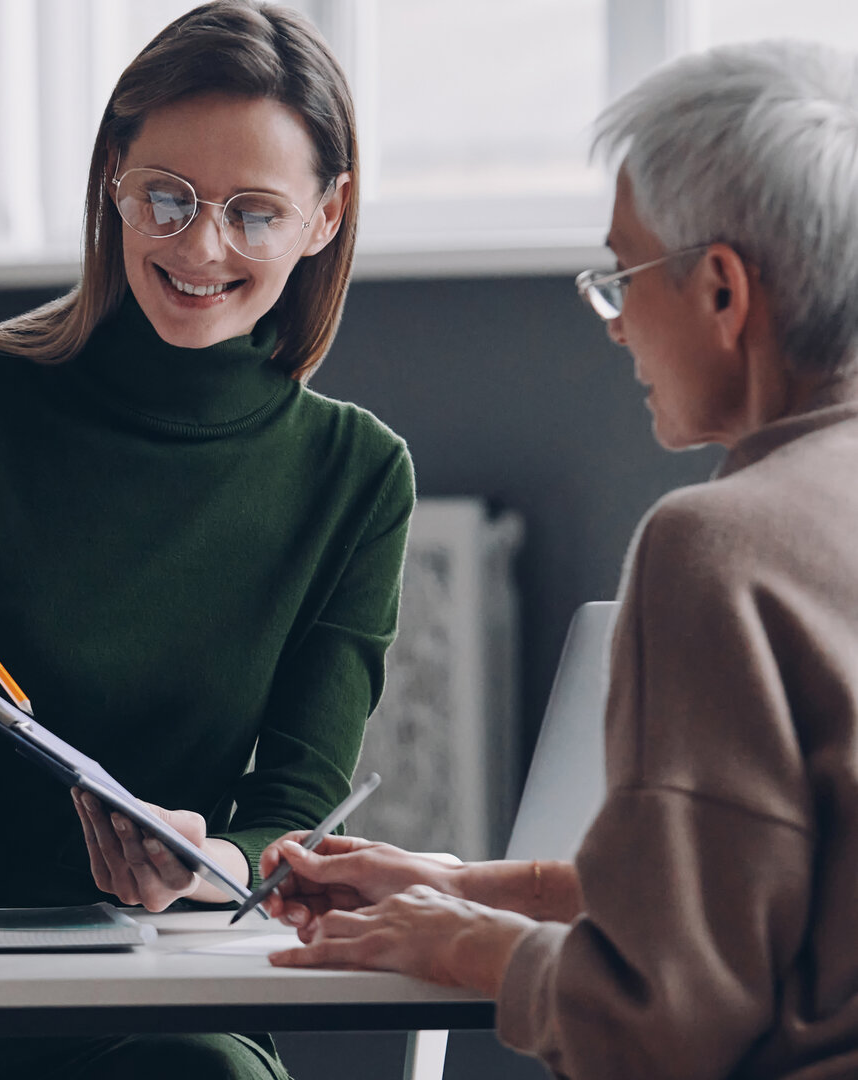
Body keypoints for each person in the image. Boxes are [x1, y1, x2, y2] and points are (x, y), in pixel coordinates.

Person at [0, 2, 414, 1076]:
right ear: (114, 176)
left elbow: (293, 816)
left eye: (255, 212)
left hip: (154, 996)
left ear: (325, 215)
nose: (200, 246)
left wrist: (204, 863)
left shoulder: (357, 476)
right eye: (168, 196)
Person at [258, 39, 858, 1080]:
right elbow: (773, 898)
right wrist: (466, 888)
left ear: (723, 290)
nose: (615, 327)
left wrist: (464, 946)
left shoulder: (718, 547)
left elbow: (662, 1027)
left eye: (624, 276)